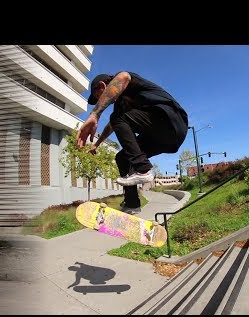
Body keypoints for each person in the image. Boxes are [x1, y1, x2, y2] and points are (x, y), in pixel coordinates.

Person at [77, 72, 188, 214]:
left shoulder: (124, 81)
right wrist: (96, 144)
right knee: (122, 158)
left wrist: (95, 114)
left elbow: (124, 76)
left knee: (117, 117)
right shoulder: (121, 107)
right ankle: (132, 204)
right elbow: (111, 125)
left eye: (98, 96)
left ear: (102, 86)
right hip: (165, 139)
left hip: (171, 121)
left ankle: (143, 169)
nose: (101, 100)